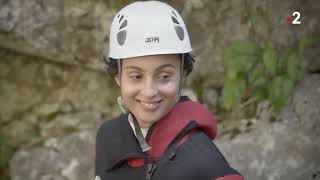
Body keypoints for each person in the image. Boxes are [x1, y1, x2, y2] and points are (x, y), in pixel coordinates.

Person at [95, 1, 243, 180]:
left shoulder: (205, 163)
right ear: (117, 76)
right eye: (136, 76)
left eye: (164, 76)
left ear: (183, 75)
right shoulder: (108, 137)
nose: (149, 91)